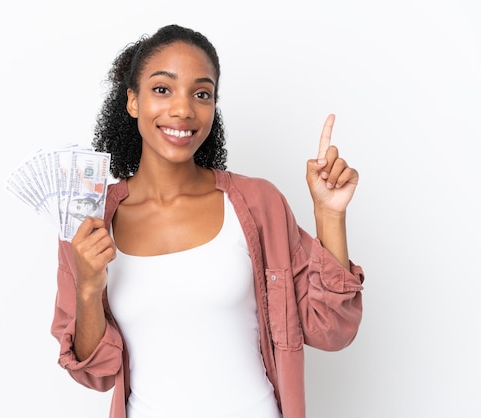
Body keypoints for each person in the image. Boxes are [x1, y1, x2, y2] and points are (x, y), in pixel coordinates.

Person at [51, 24, 364, 418]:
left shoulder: (257, 203)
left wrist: (329, 215)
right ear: (132, 100)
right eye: (162, 89)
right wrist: (88, 289)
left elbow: (331, 330)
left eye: (201, 93)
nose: (183, 109)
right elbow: (95, 374)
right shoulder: (88, 223)